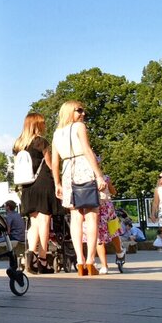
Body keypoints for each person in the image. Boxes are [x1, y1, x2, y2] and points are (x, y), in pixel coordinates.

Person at [51, 101, 106, 276]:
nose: (83, 114)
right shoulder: (79, 127)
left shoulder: (57, 133)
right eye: (79, 110)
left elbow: (54, 162)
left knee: (75, 217)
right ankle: (90, 260)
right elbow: (87, 150)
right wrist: (98, 175)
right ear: (69, 112)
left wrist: (57, 183)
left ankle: (80, 261)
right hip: (83, 166)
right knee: (91, 216)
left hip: (67, 170)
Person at [13, 113, 57, 274]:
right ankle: (43, 259)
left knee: (34, 222)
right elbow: (50, 164)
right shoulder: (41, 142)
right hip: (43, 182)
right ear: (38, 125)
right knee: (44, 221)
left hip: (27, 186)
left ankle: (30, 255)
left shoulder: (18, 144)